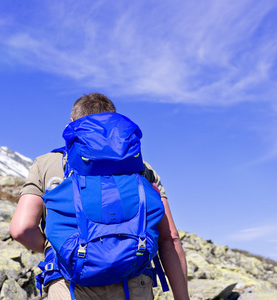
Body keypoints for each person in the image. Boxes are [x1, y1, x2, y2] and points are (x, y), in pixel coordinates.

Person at [10, 93, 189, 300]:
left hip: (69, 284)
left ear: (72, 123)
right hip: (133, 283)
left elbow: (21, 229)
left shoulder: (47, 164)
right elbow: (170, 238)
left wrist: (60, 248)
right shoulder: (141, 169)